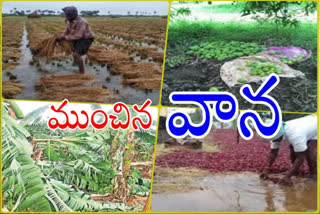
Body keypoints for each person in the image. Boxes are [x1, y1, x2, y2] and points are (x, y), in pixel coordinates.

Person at [260, 115, 317, 185]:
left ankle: (314, 175)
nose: (273, 141)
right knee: (293, 148)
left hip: (316, 128)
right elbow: (273, 152)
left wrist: (287, 177)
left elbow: (300, 158)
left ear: (279, 136)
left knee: (309, 149)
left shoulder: (296, 134)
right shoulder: (275, 135)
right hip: (305, 126)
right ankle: (296, 172)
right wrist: (266, 169)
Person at [57, 6, 94, 73]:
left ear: (73, 15)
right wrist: (61, 36)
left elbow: (78, 36)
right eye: (66, 15)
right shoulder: (69, 21)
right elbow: (67, 31)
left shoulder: (82, 22)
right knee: (72, 49)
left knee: (76, 54)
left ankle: (81, 73)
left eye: (68, 16)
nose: (66, 17)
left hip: (86, 38)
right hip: (76, 36)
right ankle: (76, 62)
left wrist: (65, 37)